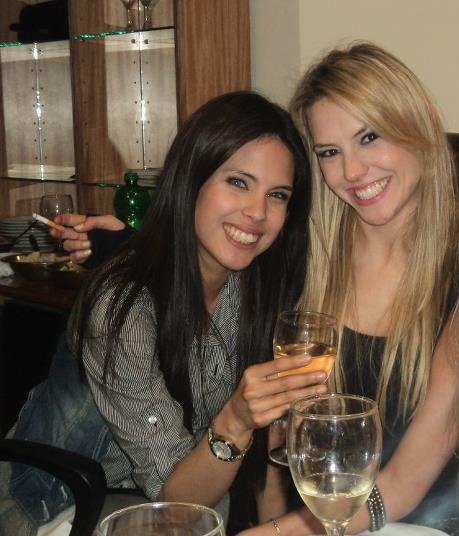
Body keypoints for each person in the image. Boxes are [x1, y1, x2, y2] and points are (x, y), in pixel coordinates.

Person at [0, 90, 330, 535]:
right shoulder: (122, 307)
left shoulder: (253, 284)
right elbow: (176, 507)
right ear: (191, 179)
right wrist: (236, 420)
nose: (257, 212)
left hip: (193, 493)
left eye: (278, 194)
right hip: (60, 507)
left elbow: (267, 450)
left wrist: (276, 528)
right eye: (238, 182)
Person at [238, 42, 459, 535]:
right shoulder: (310, 256)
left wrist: (278, 534)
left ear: (421, 119)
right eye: (330, 153)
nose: (353, 172)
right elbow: (284, 440)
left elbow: (403, 483)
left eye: (369, 137)